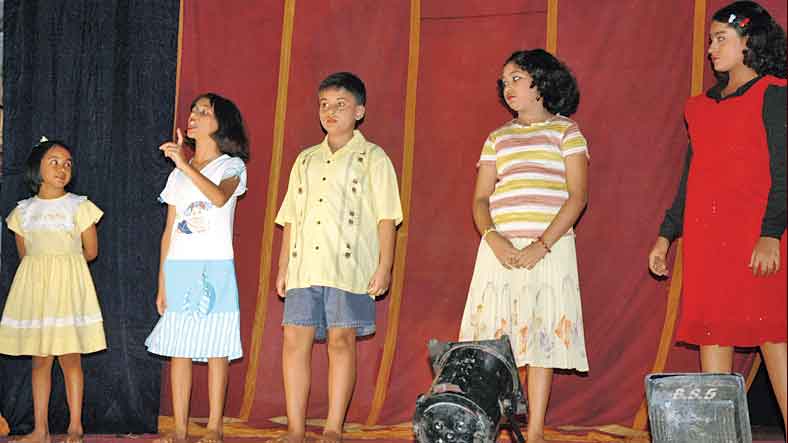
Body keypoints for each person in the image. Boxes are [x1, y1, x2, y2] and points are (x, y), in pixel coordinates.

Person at [648, 0, 787, 432]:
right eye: (710, 40)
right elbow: (691, 177)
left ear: (750, 43)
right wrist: (665, 236)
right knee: (712, 332)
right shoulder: (700, 107)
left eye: (721, 39)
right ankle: (719, 436)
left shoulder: (775, 94)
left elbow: (784, 169)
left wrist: (770, 234)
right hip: (707, 239)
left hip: (757, 236)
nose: (711, 48)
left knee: (773, 333)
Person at [459, 49, 589, 443]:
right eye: (504, 82)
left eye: (516, 78)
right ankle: (493, 425)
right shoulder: (497, 138)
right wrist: (493, 238)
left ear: (541, 82)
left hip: (547, 249)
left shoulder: (567, 132)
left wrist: (542, 244)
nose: (507, 87)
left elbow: (577, 196)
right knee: (497, 340)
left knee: (541, 337)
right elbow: (481, 199)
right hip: (500, 249)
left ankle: (534, 432)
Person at [273, 72, 402, 443]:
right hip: (303, 266)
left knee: (341, 341)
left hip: (348, 267)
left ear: (359, 111)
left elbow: (387, 216)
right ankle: (296, 429)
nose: (330, 111)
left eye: (340, 104)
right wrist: (283, 266)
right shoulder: (306, 159)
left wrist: (385, 266)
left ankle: (333, 428)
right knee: (294, 341)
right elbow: (291, 217)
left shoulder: (372, 157)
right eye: (324, 105)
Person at [145, 93, 249, 443]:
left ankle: (215, 426)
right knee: (181, 348)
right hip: (180, 268)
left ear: (221, 124)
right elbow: (168, 232)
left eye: (204, 112)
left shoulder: (232, 166)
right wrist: (162, 281)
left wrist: (184, 164)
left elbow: (219, 198)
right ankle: (179, 429)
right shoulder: (177, 177)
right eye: (193, 110)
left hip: (215, 266)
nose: (194, 115)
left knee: (217, 345)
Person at [0, 138, 105, 443]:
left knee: (70, 357)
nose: (62, 168)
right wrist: (43, 272)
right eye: (54, 162)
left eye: (68, 163)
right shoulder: (23, 212)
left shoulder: (79, 206)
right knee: (40, 359)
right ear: (38, 168)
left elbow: (91, 250)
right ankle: (41, 429)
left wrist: (65, 269)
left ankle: (75, 426)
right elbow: (26, 255)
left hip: (68, 290)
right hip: (36, 292)